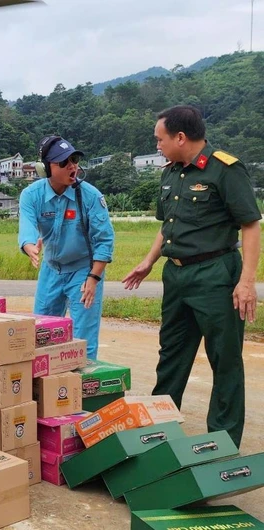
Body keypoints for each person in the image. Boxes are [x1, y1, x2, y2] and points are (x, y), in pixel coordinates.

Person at [122, 105, 260, 448]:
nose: (157, 146)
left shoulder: (226, 170)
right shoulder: (170, 173)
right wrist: (148, 261)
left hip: (215, 275)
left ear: (180, 137)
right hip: (177, 276)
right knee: (171, 355)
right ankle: (158, 436)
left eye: (160, 139)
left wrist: (246, 281)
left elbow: (250, 225)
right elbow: (166, 227)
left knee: (224, 359)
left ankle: (222, 444)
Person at [18, 135, 115, 360]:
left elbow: (104, 240)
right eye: (64, 162)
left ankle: (84, 388)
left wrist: (93, 277)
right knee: (41, 333)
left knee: (84, 340)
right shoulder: (32, 195)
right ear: (45, 169)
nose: (72, 166)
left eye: (74, 160)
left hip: (84, 271)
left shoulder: (90, 196)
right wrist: (29, 245)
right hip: (51, 269)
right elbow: (27, 224)